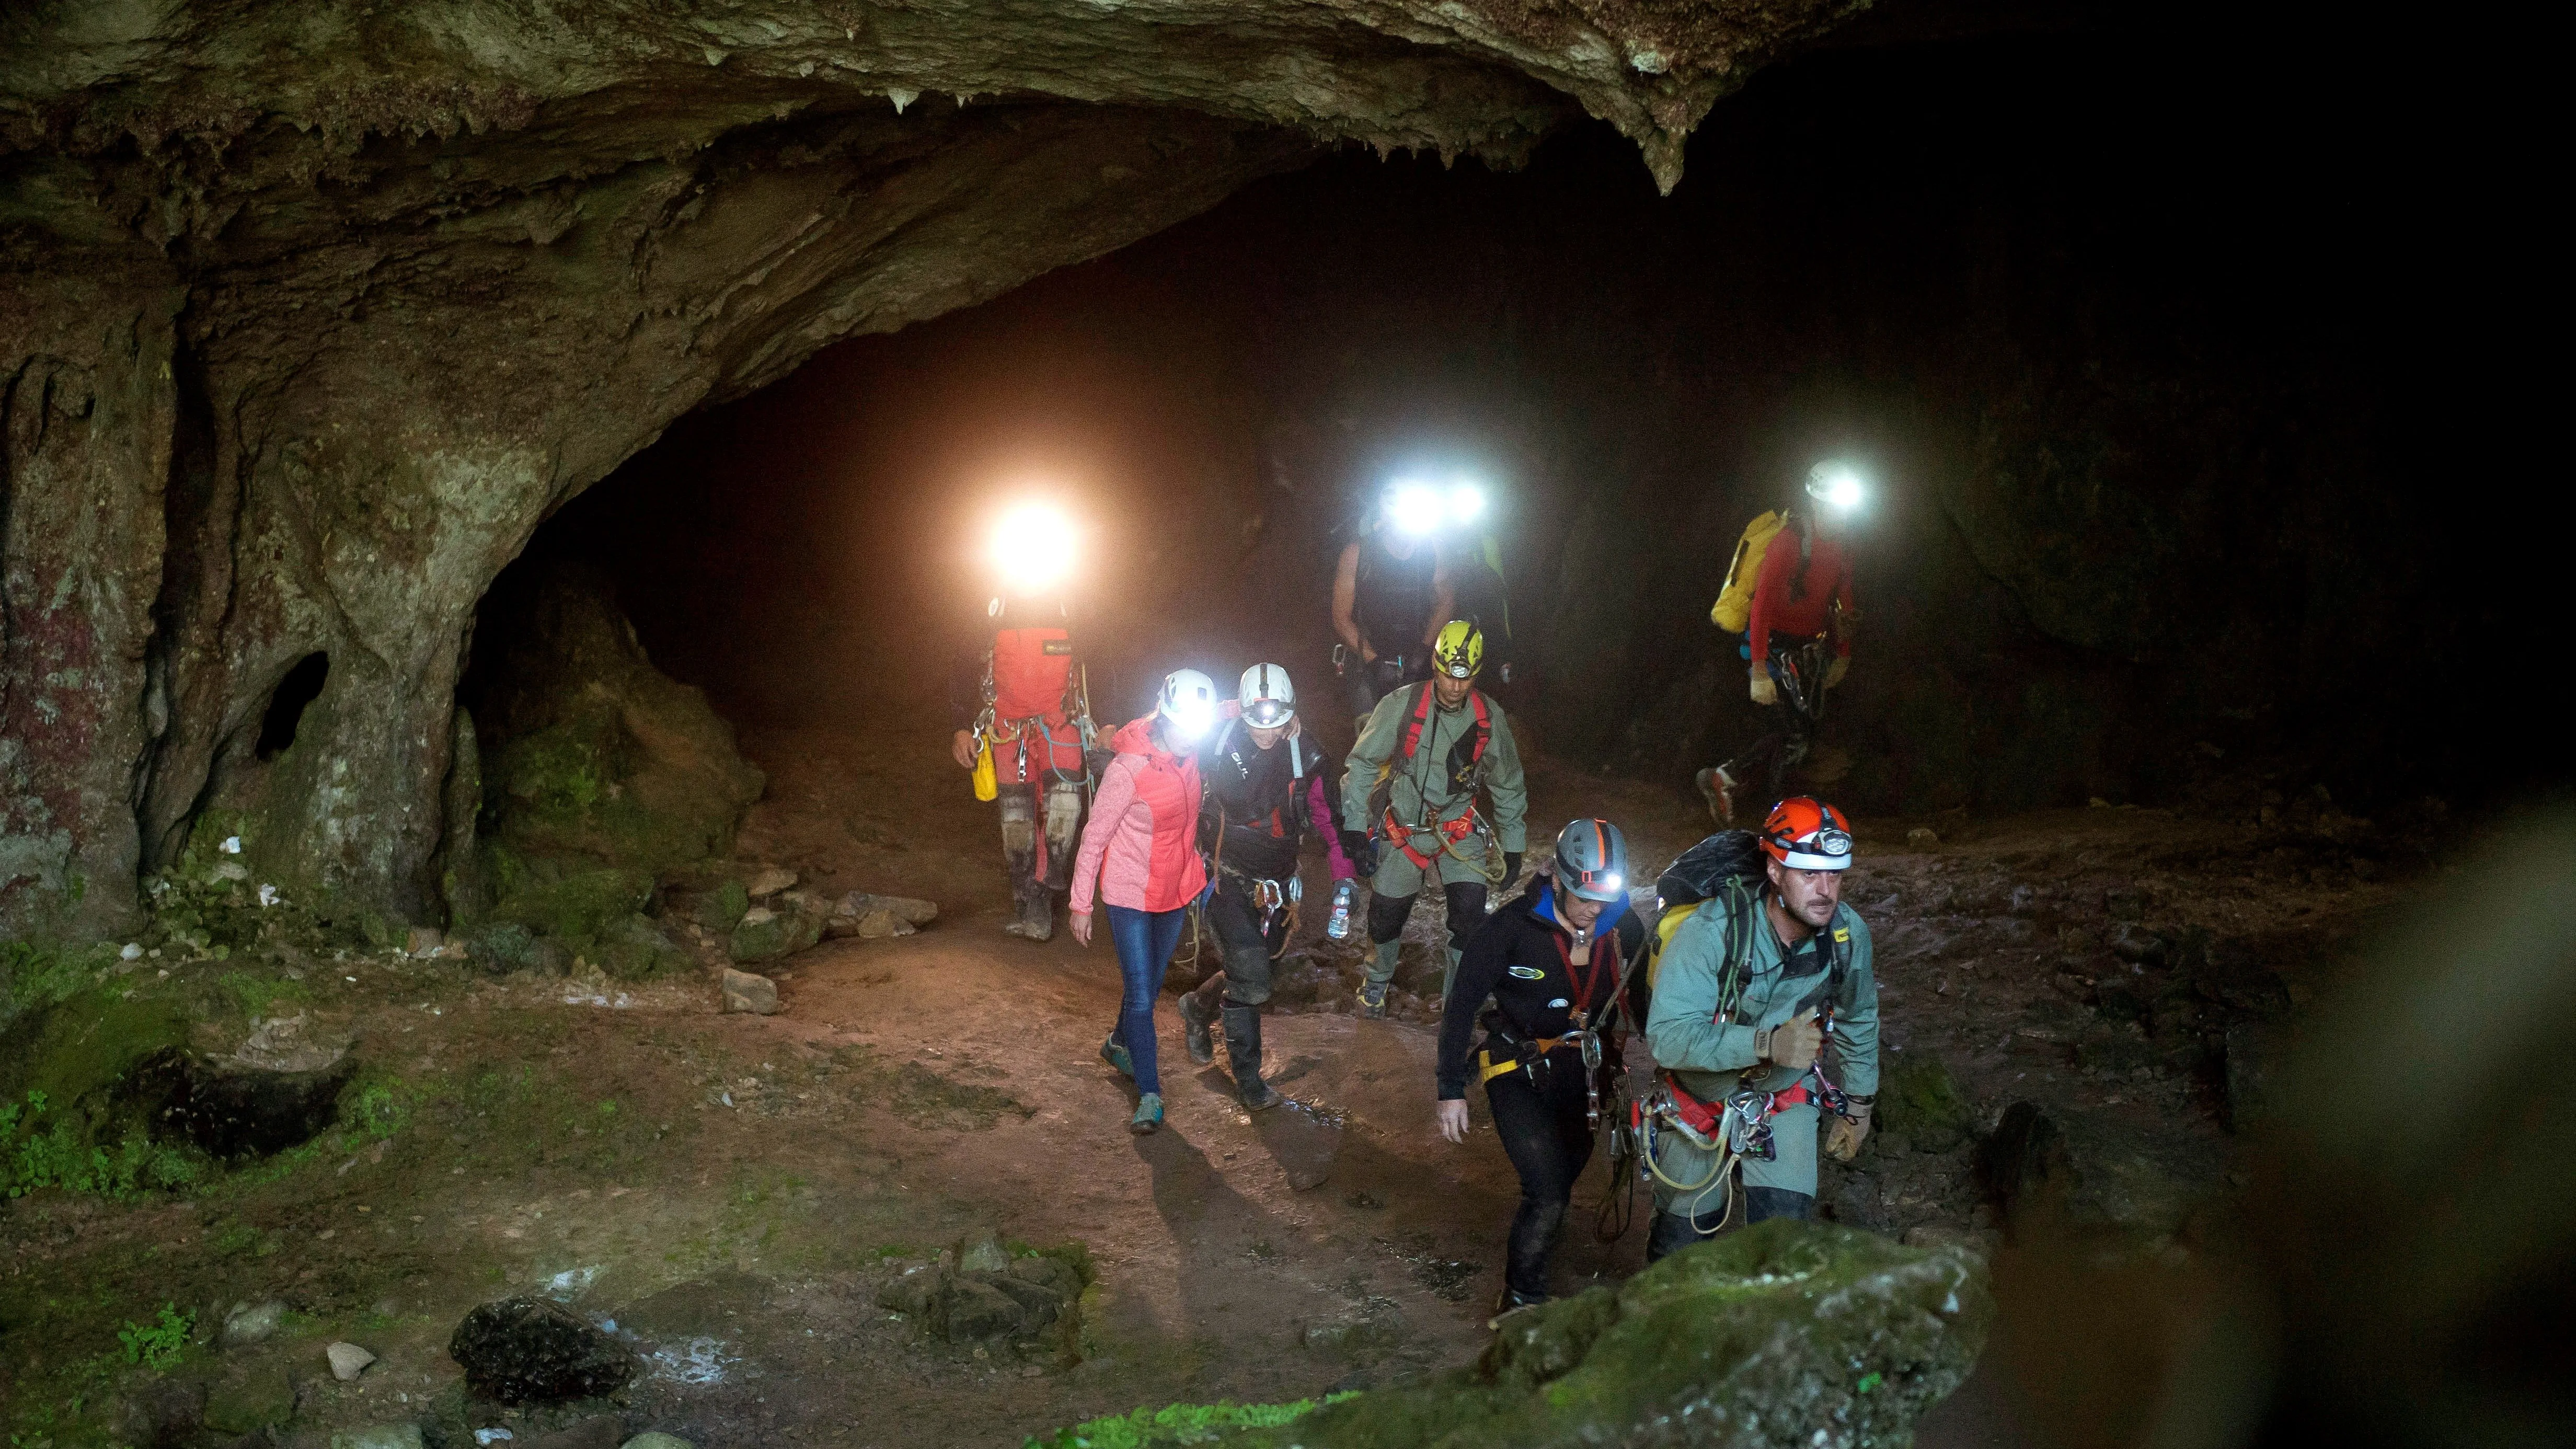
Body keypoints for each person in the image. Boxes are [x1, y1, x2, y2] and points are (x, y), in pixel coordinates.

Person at [1641, 797, 1879, 1254]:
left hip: (1783, 1101)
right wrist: (1767, 1043)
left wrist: (1860, 1104)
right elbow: (1669, 1037)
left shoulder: (1847, 937)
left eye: (1835, 874)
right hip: (1700, 1101)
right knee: (1681, 1252)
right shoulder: (1712, 932)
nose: (1825, 891)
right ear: (1774, 872)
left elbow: (1858, 1015)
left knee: (1784, 1248)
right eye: (1809, 874)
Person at [1436, 819, 1643, 1316]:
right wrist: (1450, 1088)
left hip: (1587, 1076)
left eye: (1603, 900)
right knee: (1547, 1188)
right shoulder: (1510, 928)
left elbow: (1644, 1000)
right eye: (1584, 899)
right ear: (1558, 880)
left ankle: (1535, 1257)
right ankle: (1522, 1299)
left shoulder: (1623, 925)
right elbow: (1461, 1005)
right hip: (1517, 1068)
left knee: (1563, 1181)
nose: (1595, 911)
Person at [1176, 664, 1357, 1110]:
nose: (1266, 731)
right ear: (1241, 712)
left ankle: (1197, 1009)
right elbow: (1168, 725)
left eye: (1276, 721)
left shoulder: (1306, 759)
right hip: (1224, 873)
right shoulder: (1216, 739)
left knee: (1260, 971)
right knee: (1253, 978)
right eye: (1257, 721)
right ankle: (1248, 1079)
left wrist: (1345, 881)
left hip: (1276, 885)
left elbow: (1331, 825)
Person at [1340, 618, 1529, 1016]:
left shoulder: (1488, 719)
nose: (1455, 688)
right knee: (1386, 916)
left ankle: (1458, 1000)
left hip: (1457, 831)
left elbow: (1508, 783)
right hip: (1403, 829)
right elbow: (1361, 766)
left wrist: (1513, 846)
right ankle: (1375, 984)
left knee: (1471, 914)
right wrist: (1356, 828)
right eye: (1448, 675)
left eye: (1465, 678)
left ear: (1476, 674)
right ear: (1435, 665)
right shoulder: (1402, 706)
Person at [1069, 670, 1217, 1134]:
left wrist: (1275, 717)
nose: (1190, 739)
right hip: (1131, 895)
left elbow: (1233, 710)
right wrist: (1081, 903)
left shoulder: (1191, 752)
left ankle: (1117, 1043)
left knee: (1149, 987)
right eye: (1183, 729)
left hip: (1173, 892)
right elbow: (1095, 837)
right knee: (1141, 995)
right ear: (1164, 717)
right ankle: (1151, 1093)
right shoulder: (1127, 769)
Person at [950, 509, 1097, 939]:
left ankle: (1050, 895)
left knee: (1064, 813)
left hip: (1061, 723)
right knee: (1016, 821)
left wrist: (1106, 724)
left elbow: (1102, 666)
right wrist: (961, 724)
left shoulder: (1075, 604)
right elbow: (961, 667)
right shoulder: (990, 604)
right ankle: (1029, 903)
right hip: (1008, 729)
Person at [1696, 464, 1859, 824]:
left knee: (1798, 732)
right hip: (1774, 644)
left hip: (1809, 647)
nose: (1840, 515)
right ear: (1816, 503)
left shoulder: (1845, 544)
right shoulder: (1788, 542)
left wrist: (1842, 655)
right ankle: (1781, 818)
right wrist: (1758, 670)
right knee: (1795, 736)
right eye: (1833, 506)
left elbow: (1844, 598)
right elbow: (1762, 607)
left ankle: (1724, 779)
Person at [1331, 484, 1457, 728]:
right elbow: (1341, 617)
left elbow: (1446, 602)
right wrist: (1373, 661)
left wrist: (1424, 649)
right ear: (1380, 509)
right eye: (1392, 504)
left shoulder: (1435, 550)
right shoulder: (1356, 554)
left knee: (1425, 734)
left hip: (1419, 653)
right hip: (1368, 655)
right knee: (1372, 738)